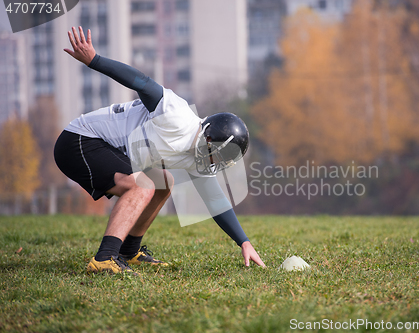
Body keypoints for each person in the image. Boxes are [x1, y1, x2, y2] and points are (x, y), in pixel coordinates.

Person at [54, 27, 265, 275]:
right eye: (217, 154)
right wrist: (94, 60)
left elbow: (216, 201)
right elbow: (142, 83)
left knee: (163, 181)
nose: (215, 162)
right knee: (142, 185)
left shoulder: (198, 152)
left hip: (101, 147)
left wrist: (244, 242)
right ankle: (105, 258)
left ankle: (129, 252)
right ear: (209, 136)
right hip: (80, 140)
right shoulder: (178, 116)